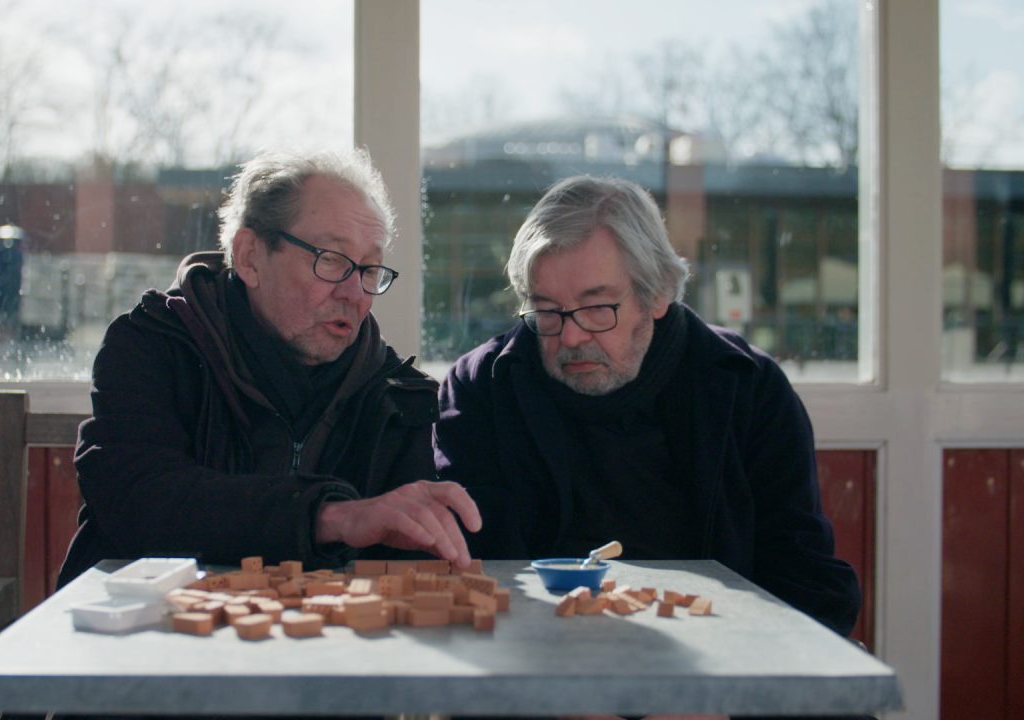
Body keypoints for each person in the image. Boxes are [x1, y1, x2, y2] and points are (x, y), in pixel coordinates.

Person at [433, 175, 861, 637]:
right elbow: (469, 578)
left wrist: (716, 705)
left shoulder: (746, 390)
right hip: (533, 664)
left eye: (597, 307)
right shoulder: (482, 388)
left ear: (656, 294)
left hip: (717, 669)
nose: (570, 336)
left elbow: (808, 584)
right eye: (547, 310)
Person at [57, 148, 480, 588]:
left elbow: (395, 582)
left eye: (370, 269)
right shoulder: (153, 345)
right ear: (250, 257)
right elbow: (139, 500)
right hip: (137, 631)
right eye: (332, 260)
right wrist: (329, 516)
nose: (356, 294)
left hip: (317, 644)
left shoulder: (400, 398)